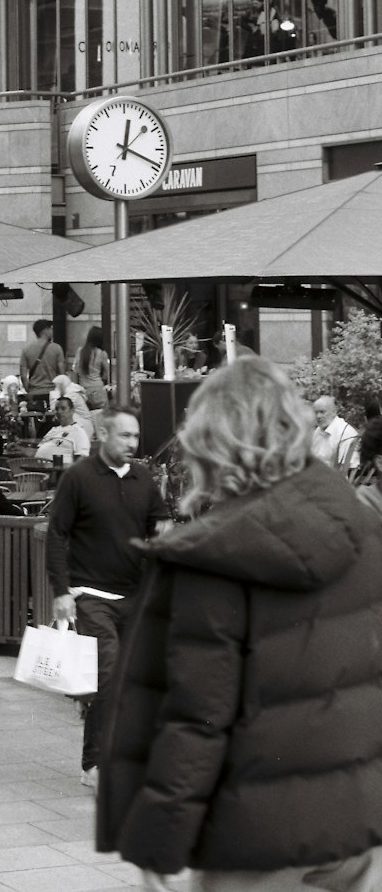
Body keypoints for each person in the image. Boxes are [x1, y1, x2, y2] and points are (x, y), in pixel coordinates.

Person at [98, 357, 382, 892]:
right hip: (360, 825)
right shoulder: (367, 528)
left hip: (259, 835)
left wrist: (157, 839)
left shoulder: (217, 556)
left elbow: (198, 713)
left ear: (210, 442)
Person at [46, 408, 168, 789]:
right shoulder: (79, 478)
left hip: (135, 596)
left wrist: (164, 531)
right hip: (91, 595)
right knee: (111, 672)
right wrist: (62, 592)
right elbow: (56, 535)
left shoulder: (142, 477)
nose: (132, 444)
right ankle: (95, 764)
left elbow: (158, 521)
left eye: (135, 437)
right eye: (125, 436)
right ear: (103, 433)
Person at [18, 319, 66, 426]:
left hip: (34, 394)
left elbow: (23, 375)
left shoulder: (26, 350)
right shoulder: (57, 349)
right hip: (53, 394)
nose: (52, 332)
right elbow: (62, 375)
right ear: (45, 331)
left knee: (37, 428)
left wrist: (29, 391)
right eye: (51, 329)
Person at [35, 393, 90, 468]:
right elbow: (38, 450)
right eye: (57, 409)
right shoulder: (53, 430)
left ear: (72, 410)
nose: (59, 412)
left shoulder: (78, 432)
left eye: (63, 408)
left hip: (57, 473)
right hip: (37, 469)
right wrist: (20, 449)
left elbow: (81, 461)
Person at [310, 393, 359, 472]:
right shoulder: (318, 431)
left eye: (322, 412)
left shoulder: (345, 433)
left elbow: (346, 469)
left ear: (334, 412)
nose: (318, 416)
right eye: (316, 412)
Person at [75, 325, 110, 410]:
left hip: (83, 390)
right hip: (98, 389)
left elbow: (76, 371)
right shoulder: (102, 353)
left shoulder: (80, 351)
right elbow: (106, 375)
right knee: (102, 417)